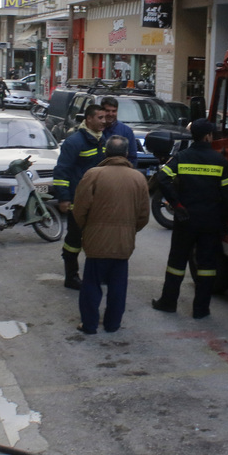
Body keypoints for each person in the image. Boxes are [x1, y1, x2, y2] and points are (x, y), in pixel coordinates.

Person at [152, 119, 228, 319]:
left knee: (176, 262)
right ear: (207, 136)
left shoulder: (182, 157)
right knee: (207, 266)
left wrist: (177, 204)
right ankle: (201, 309)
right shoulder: (220, 161)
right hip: (210, 221)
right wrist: (223, 221)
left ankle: (168, 302)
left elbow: (162, 178)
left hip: (185, 219)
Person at [71, 136, 150, 334]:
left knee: (91, 284)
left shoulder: (93, 175)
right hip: (123, 243)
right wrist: (130, 230)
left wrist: (88, 228)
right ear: (125, 154)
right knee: (118, 286)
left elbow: (79, 210)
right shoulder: (138, 178)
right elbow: (143, 216)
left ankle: (89, 325)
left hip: (96, 241)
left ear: (105, 153)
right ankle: (113, 324)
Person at [52, 104, 107, 290]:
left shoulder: (101, 139)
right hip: (78, 201)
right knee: (74, 241)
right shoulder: (74, 142)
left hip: (97, 200)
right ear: (89, 119)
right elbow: (62, 172)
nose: (104, 121)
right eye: (100, 118)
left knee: (97, 239)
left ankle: (97, 274)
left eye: (104, 118)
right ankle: (71, 276)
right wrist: (64, 198)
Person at [100, 96, 139, 165]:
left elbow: (132, 157)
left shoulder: (126, 131)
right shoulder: (95, 129)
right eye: (107, 111)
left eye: (114, 111)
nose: (111, 114)